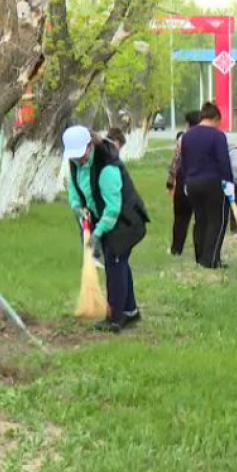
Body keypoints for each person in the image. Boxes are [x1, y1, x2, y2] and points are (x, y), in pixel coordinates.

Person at [63, 125, 150, 332]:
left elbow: (113, 208)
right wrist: (78, 208)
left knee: (115, 263)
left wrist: (97, 233)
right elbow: (74, 190)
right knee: (118, 261)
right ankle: (130, 311)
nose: (78, 160)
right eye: (74, 157)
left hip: (125, 220)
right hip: (104, 217)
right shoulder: (75, 162)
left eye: (81, 155)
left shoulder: (107, 167)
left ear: (90, 146)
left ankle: (115, 318)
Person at [178, 103, 233, 269]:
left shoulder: (187, 136)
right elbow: (224, 162)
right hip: (213, 183)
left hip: (192, 183)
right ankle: (210, 260)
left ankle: (200, 257)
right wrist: (228, 182)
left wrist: (186, 182)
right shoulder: (217, 136)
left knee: (200, 220)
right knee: (217, 221)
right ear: (216, 119)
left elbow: (184, 161)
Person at [167, 110, 202, 256]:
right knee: (201, 219)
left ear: (188, 123)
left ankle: (176, 249)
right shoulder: (208, 137)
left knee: (181, 218)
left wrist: (170, 181)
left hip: (183, 180)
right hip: (202, 181)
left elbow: (176, 161)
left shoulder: (183, 139)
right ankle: (201, 252)